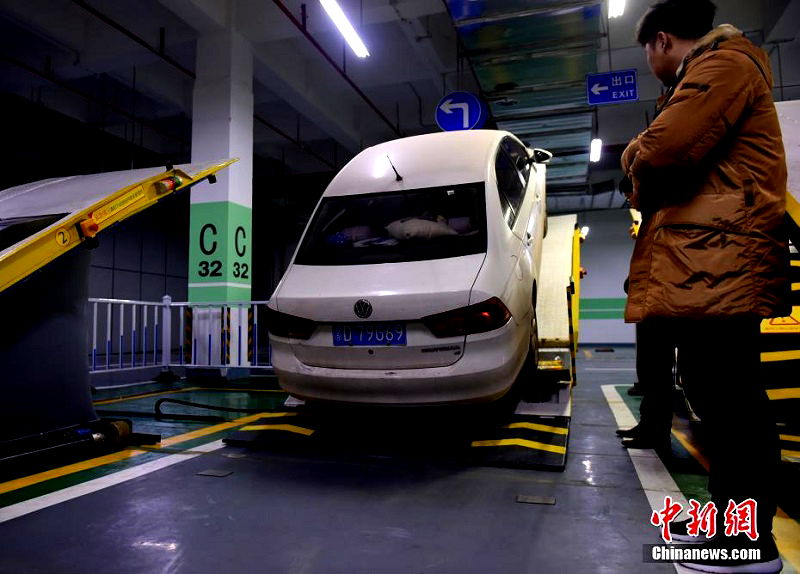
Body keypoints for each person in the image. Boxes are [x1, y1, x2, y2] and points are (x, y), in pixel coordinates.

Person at [622, 1, 790, 572]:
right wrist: (642, 156)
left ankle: (749, 546)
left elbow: (660, 151)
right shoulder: (713, 72)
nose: (649, 61)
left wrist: (639, 152)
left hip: (723, 258)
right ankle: (728, 531)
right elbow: (653, 158)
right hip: (710, 261)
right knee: (716, 395)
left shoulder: (721, 68)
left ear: (661, 40)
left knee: (731, 399)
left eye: (646, 50)